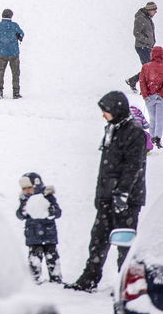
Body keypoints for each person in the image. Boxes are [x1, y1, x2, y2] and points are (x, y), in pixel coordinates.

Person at [66, 91, 147, 292]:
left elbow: (133, 165)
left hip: (126, 199)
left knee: (124, 242)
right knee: (98, 238)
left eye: (106, 111)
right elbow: (106, 167)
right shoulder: (112, 128)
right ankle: (89, 278)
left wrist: (122, 193)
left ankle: (126, 284)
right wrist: (101, 194)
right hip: (108, 196)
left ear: (117, 110)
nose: (103, 114)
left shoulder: (134, 132)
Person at [16, 173, 63, 284]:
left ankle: (56, 278)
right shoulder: (25, 200)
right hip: (33, 234)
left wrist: (52, 211)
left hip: (49, 233)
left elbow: (58, 212)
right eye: (24, 188)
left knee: (51, 255)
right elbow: (20, 215)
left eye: (29, 187)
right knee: (34, 257)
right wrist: (23, 210)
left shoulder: (47, 197)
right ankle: (34, 279)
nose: (27, 191)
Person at [127, 2, 157, 93]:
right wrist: (147, 40)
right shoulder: (141, 18)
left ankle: (133, 80)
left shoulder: (147, 18)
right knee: (149, 68)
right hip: (142, 47)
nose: (155, 12)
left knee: (149, 68)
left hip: (148, 47)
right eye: (154, 10)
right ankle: (145, 89)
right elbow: (136, 33)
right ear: (149, 10)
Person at [0, 9, 24, 99]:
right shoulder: (14, 25)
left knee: (0, 72)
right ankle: (16, 93)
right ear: (11, 16)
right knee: (15, 73)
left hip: (2, 52)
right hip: (13, 52)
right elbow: (21, 34)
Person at [139, 47, 163, 149]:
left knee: (152, 119)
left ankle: (152, 138)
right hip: (161, 97)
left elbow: (142, 82)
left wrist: (146, 96)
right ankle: (157, 138)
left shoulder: (145, 67)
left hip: (149, 96)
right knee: (160, 118)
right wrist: (161, 94)